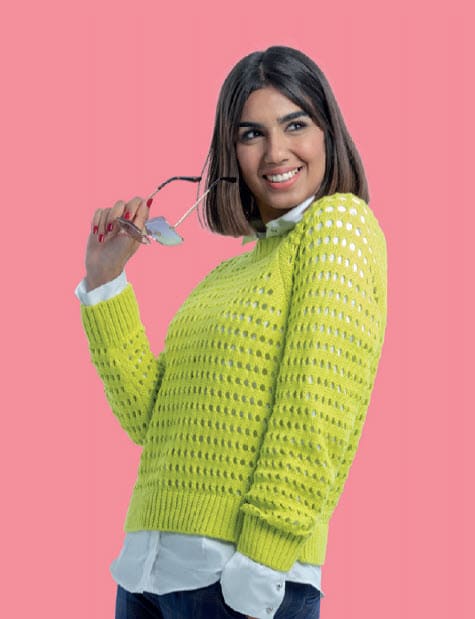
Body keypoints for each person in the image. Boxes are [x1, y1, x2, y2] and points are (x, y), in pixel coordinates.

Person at [77, 45, 388, 619]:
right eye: (251, 134)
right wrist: (105, 281)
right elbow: (151, 420)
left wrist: (264, 558)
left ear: (328, 133)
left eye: (295, 124)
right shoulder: (227, 275)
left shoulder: (339, 224)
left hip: (236, 580)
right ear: (231, 150)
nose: (276, 152)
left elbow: (317, 406)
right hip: (148, 573)